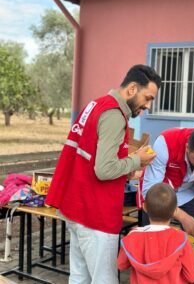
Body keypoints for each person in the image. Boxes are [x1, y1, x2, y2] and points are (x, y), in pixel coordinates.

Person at [45, 64, 162, 284]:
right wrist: (138, 160)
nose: (147, 106)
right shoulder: (114, 115)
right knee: (104, 279)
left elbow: (92, 156)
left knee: (79, 276)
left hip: (76, 206)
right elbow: (104, 169)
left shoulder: (96, 104)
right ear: (132, 88)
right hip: (95, 213)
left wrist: (129, 168)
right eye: (147, 98)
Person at [118, 182, 194, 284]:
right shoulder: (181, 238)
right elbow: (192, 276)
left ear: (145, 207)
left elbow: (121, 265)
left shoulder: (132, 237)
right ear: (175, 211)